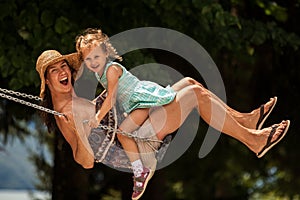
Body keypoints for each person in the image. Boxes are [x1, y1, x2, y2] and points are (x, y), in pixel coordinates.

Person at [36, 49, 290, 200]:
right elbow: (85, 162)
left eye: (63, 66)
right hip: (134, 146)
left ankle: (247, 120)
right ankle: (253, 140)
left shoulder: (77, 102)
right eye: (54, 71)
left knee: (191, 83)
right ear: (47, 81)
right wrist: (80, 133)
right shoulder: (63, 113)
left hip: (138, 126)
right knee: (195, 97)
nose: (62, 72)